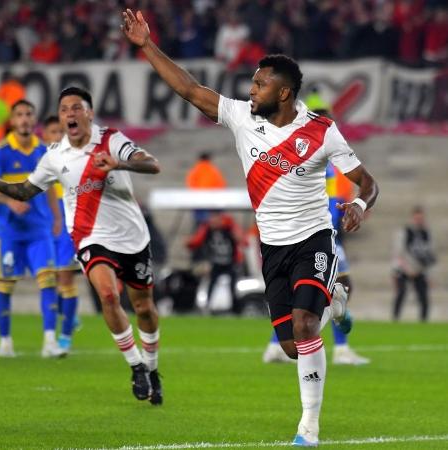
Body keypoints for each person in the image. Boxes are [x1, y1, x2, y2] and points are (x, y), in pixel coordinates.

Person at [122, 10, 379, 446]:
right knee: (291, 346)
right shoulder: (243, 118)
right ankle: (335, 300)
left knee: (303, 325)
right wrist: (147, 44)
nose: (250, 90)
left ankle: (308, 428)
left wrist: (357, 203)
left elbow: (368, 184)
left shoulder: (322, 131)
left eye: (259, 84)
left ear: (283, 92)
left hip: (313, 238)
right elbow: (188, 89)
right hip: (272, 247)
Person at [0, 87, 163, 405]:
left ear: (89, 113)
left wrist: (119, 164)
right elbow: (23, 191)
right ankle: (136, 366)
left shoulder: (111, 139)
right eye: (64, 109)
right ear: (60, 117)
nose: (70, 113)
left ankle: (153, 368)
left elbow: (152, 164)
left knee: (144, 308)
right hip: (89, 236)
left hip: (132, 237)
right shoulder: (55, 155)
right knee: (107, 294)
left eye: (77, 107)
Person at [263, 162, 370, 366]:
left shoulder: (322, 163)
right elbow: (327, 200)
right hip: (317, 234)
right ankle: (339, 349)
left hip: (316, 232)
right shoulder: (319, 163)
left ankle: (277, 345)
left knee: (322, 292)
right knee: (333, 290)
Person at [0, 100, 64, 358]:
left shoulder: (44, 152)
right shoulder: (2, 152)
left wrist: (57, 217)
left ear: (34, 120)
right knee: (4, 286)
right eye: (20, 115)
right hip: (9, 231)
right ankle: (5, 342)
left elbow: (49, 189)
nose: (24, 119)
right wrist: (9, 201)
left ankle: (49, 341)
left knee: (49, 281)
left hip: (40, 229)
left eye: (29, 114)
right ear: (13, 121)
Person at [42, 115, 80, 354]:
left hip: (68, 228)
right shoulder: (39, 161)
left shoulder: (73, 160)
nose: (57, 136)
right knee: (51, 280)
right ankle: (69, 315)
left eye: (60, 131)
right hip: (45, 227)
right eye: (53, 132)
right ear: (44, 135)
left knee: (65, 278)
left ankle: (64, 338)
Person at [186, 211, 244, 313]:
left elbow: (242, 240)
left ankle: (236, 309)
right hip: (216, 262)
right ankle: (207, 307)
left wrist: (232, 227)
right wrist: (189, 242)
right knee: (211, 284)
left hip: (230, 263)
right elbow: (196, 241)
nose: (213, 221)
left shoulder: (229, 228)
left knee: (232, 286)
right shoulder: (207, 229)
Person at [392, 205, 436, 321]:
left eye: (421, 219)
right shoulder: (406, 232)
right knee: (401, 293)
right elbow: (399, 251)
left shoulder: (426, 234)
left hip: (419, 270)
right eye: (417, 218)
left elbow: (429, 254)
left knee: (423, 297)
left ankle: (423, 321)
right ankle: (395, 319)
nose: (419, 221)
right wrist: (406, 268)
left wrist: (428, 274)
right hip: (405, 268)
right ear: (412, 218)